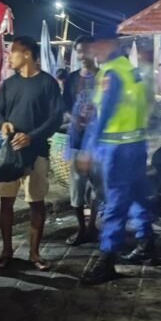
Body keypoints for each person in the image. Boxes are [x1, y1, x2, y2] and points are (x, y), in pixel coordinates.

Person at [80, 27, 155, 285]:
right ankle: (146, 242)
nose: (93, 51)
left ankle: (107, 258)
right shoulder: (129, 69)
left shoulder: (111, 73)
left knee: (115, 203)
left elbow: (107, 112)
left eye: (97, 46)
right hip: (136, 143)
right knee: (137, 195)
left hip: (117, 149)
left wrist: (90, 149)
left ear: (110, 44)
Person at [0, 36, 62, 271]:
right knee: (6, 202)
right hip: (10, 153)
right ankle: (6, 250)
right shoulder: (9, 84)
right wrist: (2, 125)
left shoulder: (47, 83)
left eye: (13, 52)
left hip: (37, 153)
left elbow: (55, 119)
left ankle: (34, 253)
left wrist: (32, 136)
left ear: (27, 54)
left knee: (36, 203)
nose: (9, 56)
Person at [63, 36, 103, 246]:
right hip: (77, 141)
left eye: (86, 50)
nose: (82, 55)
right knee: (77, 187)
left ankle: (92, 226)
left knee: (98, 186)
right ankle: (81, 228)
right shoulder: (71, 79)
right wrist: (74, 118)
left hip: (98, 143)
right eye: (79, 51)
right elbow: (66, 105)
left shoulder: (105, 77)